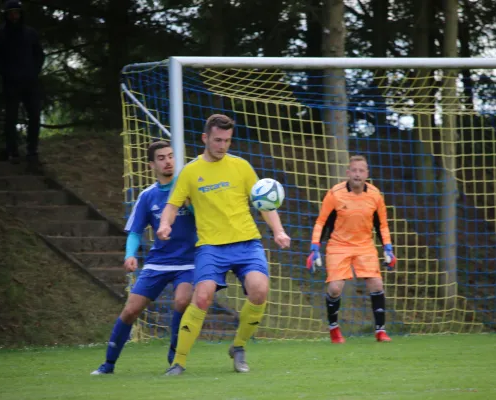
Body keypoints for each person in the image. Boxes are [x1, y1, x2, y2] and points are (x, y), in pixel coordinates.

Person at [157, 114, 291, 375]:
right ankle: (179, 362)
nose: (222, 145)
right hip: (211, 247)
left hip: (247, 243)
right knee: (203, 296)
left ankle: (238, 347)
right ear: (205, 138)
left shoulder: (241, 167)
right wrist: (165, 224)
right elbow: (172, 205)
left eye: (227, 141)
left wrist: (279, 231)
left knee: (259, 290)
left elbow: (264, 203)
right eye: (217, 140)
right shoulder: (190, 172)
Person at [91, 141, 197, 375]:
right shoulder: (148, 196)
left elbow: (208, 218)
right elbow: (136, 231)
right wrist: (130, 255)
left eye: (171, 156)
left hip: (189, 261)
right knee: (130, 310)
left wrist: (190, 208)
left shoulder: (188, 189)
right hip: (158, 262)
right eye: (161, 158)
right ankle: (108, 364)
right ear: (152, 164)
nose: (168, 161)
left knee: (182, 301)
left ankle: (174, 358)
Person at [307, 155, 397, 344]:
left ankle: (380, 331)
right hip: (338, 245)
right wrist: (315, 247)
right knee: (334, 288)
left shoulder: (375, 195)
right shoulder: (335, 194)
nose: (357, 174)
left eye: (361, 170)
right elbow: (321, 222)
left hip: (365, 245)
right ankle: (334, 329)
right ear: (348, 173)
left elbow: (382, 225)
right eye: (354, 170)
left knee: (377, 284)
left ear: (367, 174)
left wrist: (388, 248)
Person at [0, 0, 44, 167]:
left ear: (21, 14)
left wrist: (33, 72)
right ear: (6, 15)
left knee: (34, 115)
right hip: (11, 83)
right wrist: (7, 73)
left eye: (17, 12)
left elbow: (40, 55)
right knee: (11, 117)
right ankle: (12, 151)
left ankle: (32, 151)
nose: (14, 16)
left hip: (30, 82)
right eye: (11, 13)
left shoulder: (31, 34)